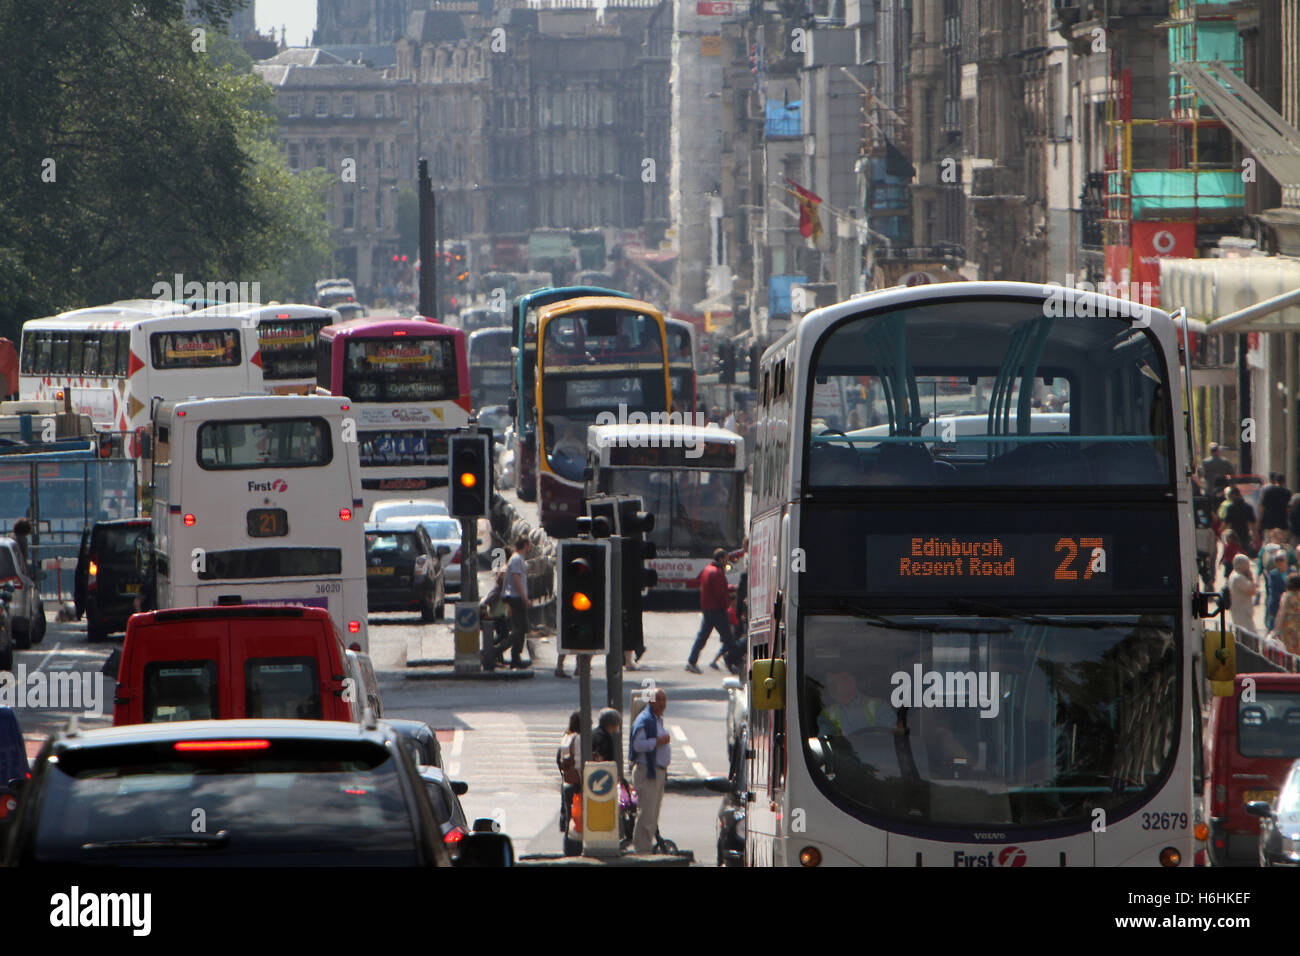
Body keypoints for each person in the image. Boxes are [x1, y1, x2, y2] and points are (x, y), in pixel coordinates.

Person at [628, 689, 670, 853]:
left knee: (653, 817)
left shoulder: (656, 720)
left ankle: (646, 850)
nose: (662, 703)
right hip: (647, 772)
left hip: (657, 772)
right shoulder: (645, 720)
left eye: (664, 700)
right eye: (658, 699)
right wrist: (658, 741)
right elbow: (638, 745)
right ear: (650, 701)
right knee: (646, 816)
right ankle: (642, 853)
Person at [686, 548, 740, 674]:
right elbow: (719, 592)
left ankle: (692, 661)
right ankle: (736, 663)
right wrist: (727, 603)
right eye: (726, 558)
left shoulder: (707, 570)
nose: (727, 561)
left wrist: (730, 588)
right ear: (721, 559)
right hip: (717, 609)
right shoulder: (717, 572)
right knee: (729, 638)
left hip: (708, 608)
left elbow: (716, 588)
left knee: (703, 636)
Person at [498, 535, 531, 670]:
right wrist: (525, 598)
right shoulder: (517, 559)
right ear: (525, 545)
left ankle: (515, 658)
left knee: (521, 629)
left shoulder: (517, 558)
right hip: (516, 597)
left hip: (515, 597)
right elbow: (516, 579)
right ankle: (496, 651)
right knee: (519, 630)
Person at [557, 711, 582, 836]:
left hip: (566, 778)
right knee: (576, 812)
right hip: (576, 780)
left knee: (567, 810)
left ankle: (567, 836)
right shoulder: (577, 738)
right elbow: (578, 761)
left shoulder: (566, 737)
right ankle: (572, 841)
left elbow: (558, 758)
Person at [1223, 486, 1259, 558]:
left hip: (1234, 534)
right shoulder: (1248, 506)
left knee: (1234, 553)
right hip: (1245, 532)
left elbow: (1226, 522)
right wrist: (1255, 535)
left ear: (1233, 495)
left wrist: (1220, 531)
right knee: (1245, 552)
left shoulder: (1231, 507)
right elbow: (1253, 523)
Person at [1270, 573, 1300, 655]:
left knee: (1289, 653)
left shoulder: (1287, 596)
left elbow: (1281, 613)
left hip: (1288, 627)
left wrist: (1276, 630)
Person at [1228, 554, 1257, 633]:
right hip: (1242, 612)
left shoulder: (1235, 575)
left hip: (1241, 610)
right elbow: (1252, 591)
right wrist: (1251, 578)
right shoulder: (1238, 578)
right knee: (1250, 635)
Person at [1265, 552, 1290, 633]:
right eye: (1277, 560)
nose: (1279, 562)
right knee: (1274, 632)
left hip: (1290, 609)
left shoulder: (1292, 572)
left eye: (1281, 560)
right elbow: (1273, 590)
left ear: (1286, 561)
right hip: (1276, 607)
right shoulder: (1273, 574)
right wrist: (1285, 598)